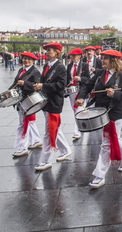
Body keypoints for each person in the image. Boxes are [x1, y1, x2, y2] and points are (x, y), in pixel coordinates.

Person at [75, 49, 122, 188]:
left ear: (114, 61)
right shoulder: (100, 73)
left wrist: (115, 94)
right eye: (103, 58)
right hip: (101, 111)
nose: (103, 61)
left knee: (106, 143)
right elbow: (88, 85)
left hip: (115, 113)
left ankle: (99, 176)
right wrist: (82, 97)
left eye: (106, 58)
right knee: (116, 137)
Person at [33, 43, 72, 171]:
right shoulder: (46, 66)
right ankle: (66, 149)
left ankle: (46, 160)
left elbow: (61, 85)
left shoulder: (60, 67)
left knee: (49, 131)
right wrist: (39, 85)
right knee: (54, 128)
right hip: (46, 101)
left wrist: (43, 86)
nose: (46, 52)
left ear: (56, 52)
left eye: (49, 50)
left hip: (54, 102)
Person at [9, 52, 42, 157]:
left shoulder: (35, 72)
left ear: (33, 61)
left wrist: (25, 84)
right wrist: (9, 91)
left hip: (28, 100)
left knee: (24, 124)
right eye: (24, 59)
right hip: (20, 99)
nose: (26, 61)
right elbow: (15, 83)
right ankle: (36, 140)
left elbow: (36, 86)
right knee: (29, 122)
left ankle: (22, 147)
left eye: (28, 59)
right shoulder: (21, 70)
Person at [66, 48, 91, 139]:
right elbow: (67, 78)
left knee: (78, 110)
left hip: (81, 90)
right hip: (71, 91)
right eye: (72, 56)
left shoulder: (84, 65)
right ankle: (82, 125)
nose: (74, 57)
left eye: (75, 56)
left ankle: (77, 131)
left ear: (80, 56)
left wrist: (80, 79)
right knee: (74, 110)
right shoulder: (69, 66)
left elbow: (88, 79)